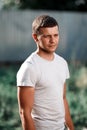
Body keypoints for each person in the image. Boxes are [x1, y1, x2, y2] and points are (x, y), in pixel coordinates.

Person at [17, 15, 74, 130]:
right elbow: (24, 113)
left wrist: (71, 128)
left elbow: (62, 98)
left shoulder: (62, 63)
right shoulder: (29, 68)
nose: (53, 40)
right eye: (47, 36)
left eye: (56, 35)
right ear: (35, 37)